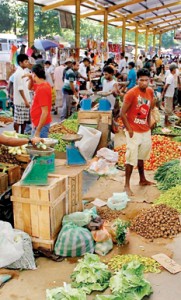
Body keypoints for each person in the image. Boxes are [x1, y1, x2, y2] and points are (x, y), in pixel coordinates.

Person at [120, 68, 155, 196]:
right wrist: (129, 129)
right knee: (130, 157)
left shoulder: (150, 92)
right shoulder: (131, 93)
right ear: (137, 80)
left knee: (142, 155)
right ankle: (126, 185)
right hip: (133, 131)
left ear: (149, 81)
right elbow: (122, 113)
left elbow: (149, 109)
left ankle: (142, 179)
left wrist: (149, 123)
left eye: (146, 80)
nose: (144, 83)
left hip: (145, 130)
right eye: (141, 80)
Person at [27, 64, 52, 138]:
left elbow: (45, 112)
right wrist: (31, 78)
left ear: (34, 74)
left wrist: (37, 131)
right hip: (37, 123)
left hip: (41, 126)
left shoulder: (42, 89)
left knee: (38, 148)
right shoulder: (41, 84)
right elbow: (29, 87)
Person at [13, 54, 31, 134]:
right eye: (26, 62)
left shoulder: (24, 71)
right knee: (18, 120)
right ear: (20, 63)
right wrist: (26, 101)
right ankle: (16, 134)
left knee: (24, 120)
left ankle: (22, 134)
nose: (27, 63)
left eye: (27, 61)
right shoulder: (19, 73)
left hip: (25, 100)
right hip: (21, 101)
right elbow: (20, 89)